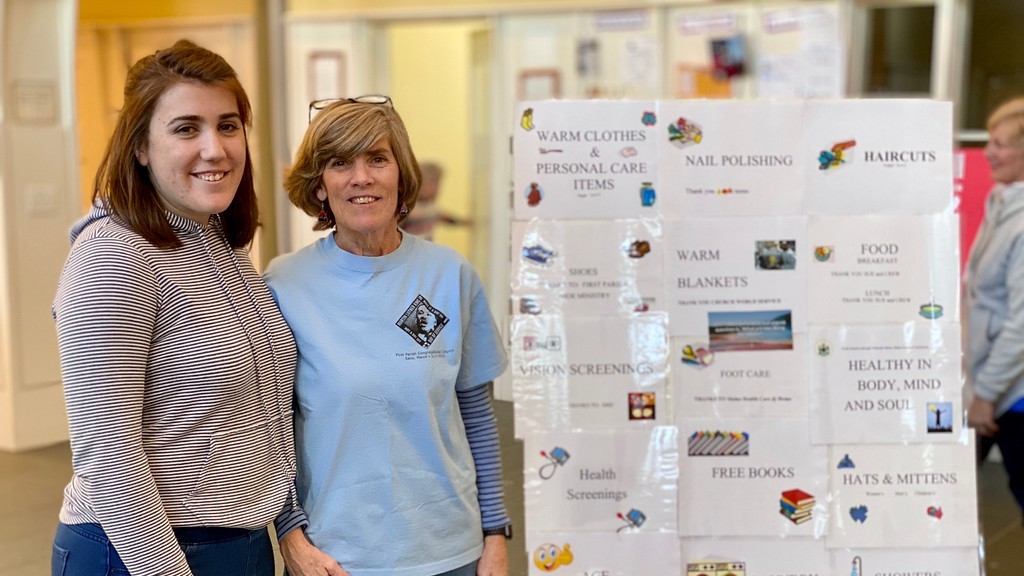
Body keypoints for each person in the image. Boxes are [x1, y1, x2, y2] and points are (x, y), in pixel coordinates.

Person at [51, 40, 299, 576]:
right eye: (187, 128)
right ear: (140, 146)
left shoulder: (219, 243)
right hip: (141, 552)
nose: (216, 148)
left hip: (238, 541)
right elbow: (108, 453)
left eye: (228, 125)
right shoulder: (114, 254)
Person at [265, 97, 511, 576]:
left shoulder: (449, 275)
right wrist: (291, 537)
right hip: (336, 557)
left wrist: (495, 537)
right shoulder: (285, 285)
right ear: (319, 185)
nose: (362, 177)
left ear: (401, 174)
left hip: (451, 550)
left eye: (377, 158)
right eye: (341, 163)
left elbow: (477, 418)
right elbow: (269, 429)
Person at [966, 97, 1024, 517]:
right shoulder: (1002, 202)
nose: (988, 151)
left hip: (1012, 394)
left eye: (1001, 143)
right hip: (989, 380)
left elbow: (1022, 323)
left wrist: (986, 395)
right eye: (989, 139)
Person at [400, 161, 471, 240]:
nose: (437, 189)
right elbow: (401, 215)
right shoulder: (406, 202)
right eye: (433, 184)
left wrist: (463, 222)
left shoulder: (430, 206)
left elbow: (442, 217)